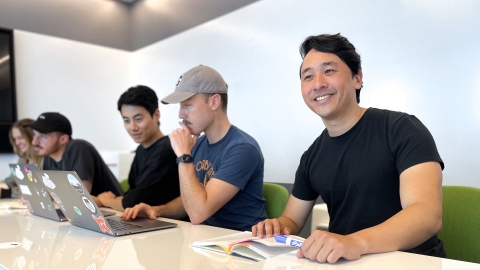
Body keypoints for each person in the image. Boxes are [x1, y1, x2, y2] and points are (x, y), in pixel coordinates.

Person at [252, 33, 445, 263]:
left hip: (412, 264)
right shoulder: (312, 156)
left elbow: (426, 215)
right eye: (308, 76)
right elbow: (292, 221)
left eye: (329, 71)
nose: (318, 84)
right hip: (346, 264)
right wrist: (277, 226)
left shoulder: (401, 129)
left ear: (357, 78)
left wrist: (355, 242)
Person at [122, 65, 267, 231]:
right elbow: (192, 200)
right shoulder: (199, 143)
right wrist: (156, 210)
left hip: (239, 244)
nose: (180, 115)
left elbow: (197, 213)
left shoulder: (242, 148)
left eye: (187, 105)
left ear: (214, 102)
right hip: (206, 240)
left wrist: (184, 156)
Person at [96, 85, 182, 217]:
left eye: (138, 119)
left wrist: (108, 201)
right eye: (126, 120)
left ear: (156, 115)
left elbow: (131, 202)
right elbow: (131, 193)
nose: (133, 127)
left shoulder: (166, 149)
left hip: (172, 225)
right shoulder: (141, 149)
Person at [26, 112, 123, 201]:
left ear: (63, 139)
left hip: (113, 213)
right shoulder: (48, 155)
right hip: (83, 214)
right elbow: (49, 191)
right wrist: (33, 198)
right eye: (35, 135)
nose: (34, 141)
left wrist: (40, 196)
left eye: (43, 136)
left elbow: (80, 195)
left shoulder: (79, 148)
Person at [0, 119, 43, 198]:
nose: (17, 143)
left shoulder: (45, 160)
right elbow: (10, 182)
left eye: (20, 138)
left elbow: (37, 192)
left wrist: (8, 192)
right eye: (15, 139)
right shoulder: (23, 159)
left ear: (32, 136)